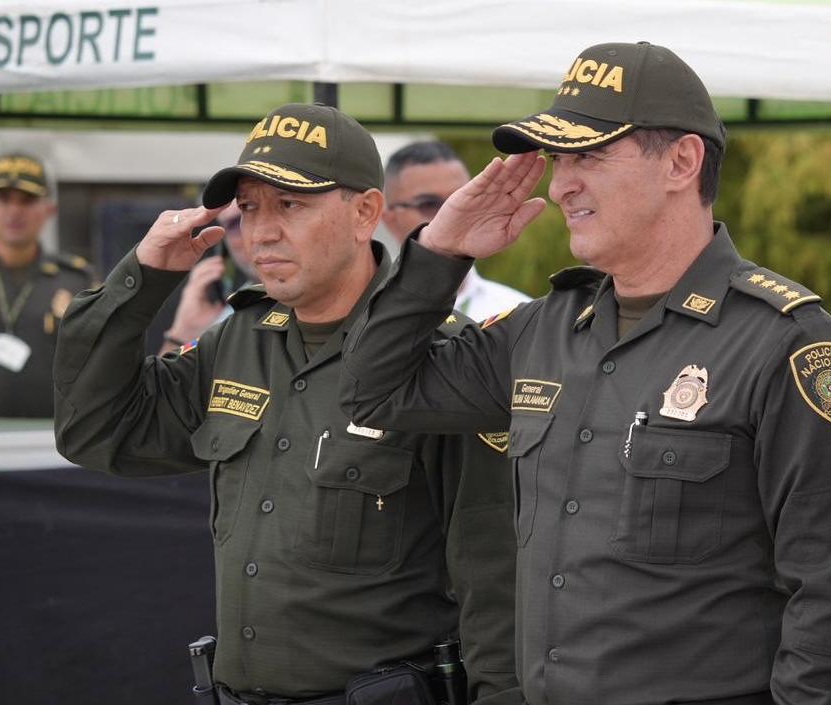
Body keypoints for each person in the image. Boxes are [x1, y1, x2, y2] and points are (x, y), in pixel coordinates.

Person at [339, 41, 831, 705]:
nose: (561, 183)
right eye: (559, 160)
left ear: (682, 162)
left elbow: (829, 598)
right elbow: (374, 390)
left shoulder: (781, 341)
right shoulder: (545, 328)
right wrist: (439, 253)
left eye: (588, 156)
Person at [53, 103, 518, 704]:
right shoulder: (241, 336)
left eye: (290, 205)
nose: (262, 232)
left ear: (365, 213)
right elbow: (98, 431)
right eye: (249, 208)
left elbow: (497, 583)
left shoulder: (440, 356)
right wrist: (142, 279)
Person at [0, 153, 96, 417]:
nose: (14, 211)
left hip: (54, 441)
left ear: (49, 210)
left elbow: (99, 365)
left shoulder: (78, 280)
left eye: (27, 200)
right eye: (3, 199)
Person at [380, 140, 530, 320]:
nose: (451, 214)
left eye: (462, 199)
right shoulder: (364, 312)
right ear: (390, 221)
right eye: (428, 204)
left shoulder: (516, 314)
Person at [156, 202, 256, 355]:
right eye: (234, 224)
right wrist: (183, 333)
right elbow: (163, 378)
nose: (259, 234)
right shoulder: (229, 316)